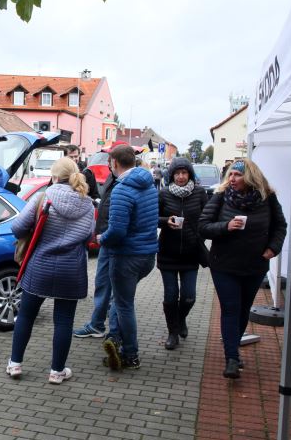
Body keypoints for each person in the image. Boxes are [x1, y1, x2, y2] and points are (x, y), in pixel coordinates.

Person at [8, 157, 95, 384]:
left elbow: (17, 228)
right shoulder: (87, 204)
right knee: (64, 321)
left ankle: (15, 364)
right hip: (71, 269)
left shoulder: (43, 197)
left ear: (54, 176)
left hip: (40, 266)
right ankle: (57, 372)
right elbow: (89, 237)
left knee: (26, 315)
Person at [198, 159, 287, 378]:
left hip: (255, 265)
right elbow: (203, 226)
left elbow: (280, 226)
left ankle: (233, 346)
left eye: (237, 175)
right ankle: (232, 358)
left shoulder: (268, 198)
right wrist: (226, 226)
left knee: (243, 308)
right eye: (230, 174)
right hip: (224, 265)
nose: (232, 178)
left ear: (250, 177)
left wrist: (272, 249)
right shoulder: (220, 196)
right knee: (231, 308)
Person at [98, 145, 158, 370]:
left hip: (126, 256)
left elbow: (117, 231)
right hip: (147, 255)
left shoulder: (121, 190)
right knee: (120, 299)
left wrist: (101, 238)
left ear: (114, 163)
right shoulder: (149, 184)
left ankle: (130, 354)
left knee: (124, 305)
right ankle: (114, 337)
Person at [157, 157, 208, 350]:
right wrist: (165, 221)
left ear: (190, 174)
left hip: (191, 253)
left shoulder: (199, 193)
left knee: (189, 297)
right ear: (171, 175)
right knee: (170, 297)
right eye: (177, 173)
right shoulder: (163, 193)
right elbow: (152, 218)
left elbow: (207, 218)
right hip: (167, 253)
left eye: (184, 173)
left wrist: (200, 235)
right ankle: (173, 333)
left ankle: (180, 319)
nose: (180, 177)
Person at [73, 163, 118, 338]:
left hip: (114, 242)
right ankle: (97, 324)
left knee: (118, 293)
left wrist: (104, 236)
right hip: (105, 240)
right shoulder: (111, 179)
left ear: (115, 162)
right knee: (102, 284)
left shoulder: (123, 183)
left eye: (110, 162)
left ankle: (115, 335)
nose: (108, 165)